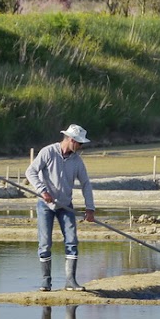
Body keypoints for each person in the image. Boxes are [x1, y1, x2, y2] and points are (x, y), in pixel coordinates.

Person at [25, 123, 96, 291]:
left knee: (71, 241)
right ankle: (46, 281)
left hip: (66, 205)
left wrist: (90, 208)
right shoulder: (48, 152)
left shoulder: (77, 161)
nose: (80, 147)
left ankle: (70, 281)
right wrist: (43, 191)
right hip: (45, 204)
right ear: (71, 140)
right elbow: (31, 172)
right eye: (79, 144)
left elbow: (85, 184)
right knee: (45, 243)